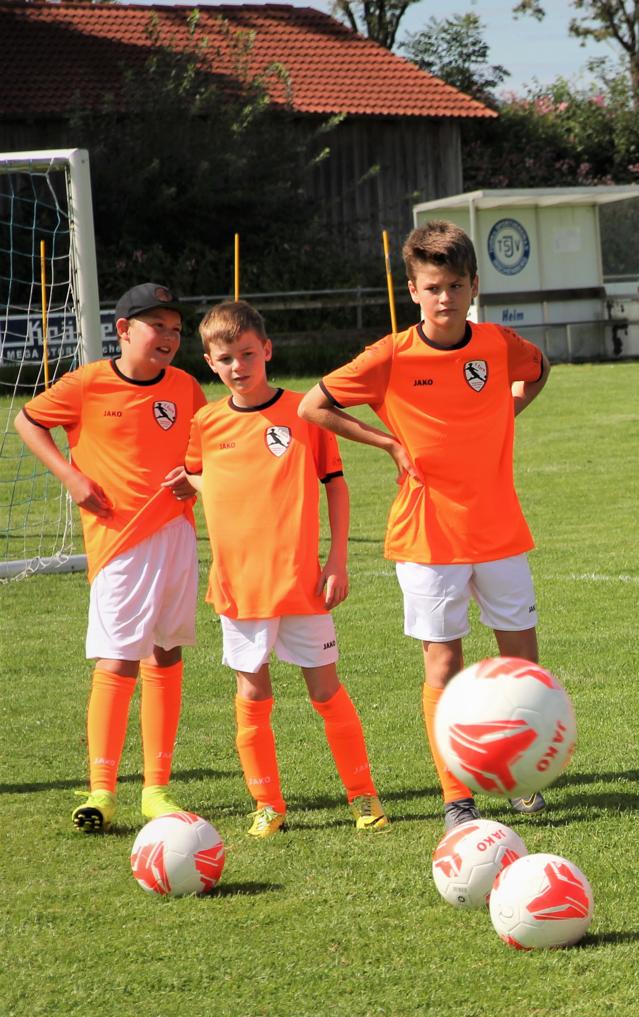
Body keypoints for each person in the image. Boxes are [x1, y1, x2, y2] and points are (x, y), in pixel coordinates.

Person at [298, 221, 550, 831]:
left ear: (474, 286)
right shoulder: (390, 356)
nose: (445, 298)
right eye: (433, 287)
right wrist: (387, 442)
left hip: (499, 530)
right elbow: (313, 405)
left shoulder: (496, 344)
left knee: (521, 663)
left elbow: (539, 367)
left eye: (456, 286)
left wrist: (510, 409)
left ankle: (518, 776)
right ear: (413, 290)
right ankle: (457, 796)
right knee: (444, 664)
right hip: (427, 536)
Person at [162, 301, 388, 836]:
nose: (238, 366)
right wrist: (191, 483)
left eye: (247, 354)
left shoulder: (303, 412)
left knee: (326, 692)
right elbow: (200, 479)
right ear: (210, 363)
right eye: (225, 359)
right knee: (253, 695)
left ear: (267, 349)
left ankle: (363, 795)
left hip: (301, 583)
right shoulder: (205, 422)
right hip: (239, 587)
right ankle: (267, 805)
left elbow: (335, 484)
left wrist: (337, 559)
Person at [12, 283, 207, 832]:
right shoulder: (88, 383)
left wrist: (194, 477)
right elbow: (27, 420)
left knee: (165, 655)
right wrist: (70, 476)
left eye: (175, 329)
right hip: (119, 545)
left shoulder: (186, 387)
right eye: (157, 326)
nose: (169, 337)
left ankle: (156, 789)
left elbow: (205, 448)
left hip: (177, 536)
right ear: (123, 329)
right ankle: (102, 791)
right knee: (117, 660)